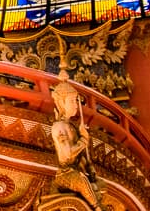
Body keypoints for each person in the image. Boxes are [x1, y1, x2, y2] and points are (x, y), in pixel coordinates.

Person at [48, 71, 103, 207]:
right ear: (61, 103)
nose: (76, 106)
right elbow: (68, 155)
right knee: (82, 181)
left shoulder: (73, 126)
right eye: (72, 101)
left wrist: (91, 170)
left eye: (76, 101)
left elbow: (84, 158)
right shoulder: (59, 127)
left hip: (78, 170)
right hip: (65, 174)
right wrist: (84, 139)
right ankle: (97, 207)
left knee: (100, 185)